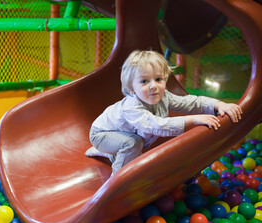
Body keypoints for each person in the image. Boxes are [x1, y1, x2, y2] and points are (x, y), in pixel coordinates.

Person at [85, 50, 243, 175]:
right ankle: (116, 182)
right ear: (132, 88)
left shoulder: (163, 96)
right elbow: (154, 125)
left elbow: (190, 102)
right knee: (132, 143)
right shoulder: (131, 106)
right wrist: (194, 120)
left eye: (158, 79)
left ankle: (109, 153)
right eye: (144, 81)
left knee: (133, 146)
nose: (153, 86)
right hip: (102, 134)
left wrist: (218, 104)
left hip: (121, 134)